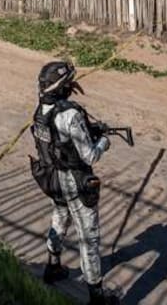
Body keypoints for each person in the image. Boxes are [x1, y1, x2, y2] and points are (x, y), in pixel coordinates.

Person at [30, 61, 119, 305]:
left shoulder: (41, 109)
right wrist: (104, 141)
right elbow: (89, 155)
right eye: (68, 83)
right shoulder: (69, 115)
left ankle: (53, 266)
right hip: (74, 179)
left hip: (52, 178)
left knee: (59, 219)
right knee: (88, 237)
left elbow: (58, 143)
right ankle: (96, 295)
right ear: (61, 87)